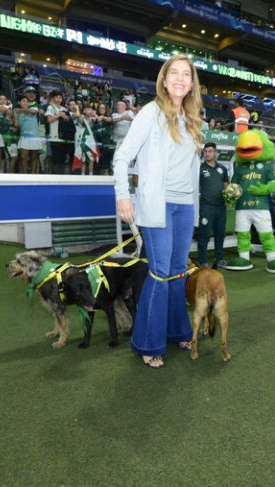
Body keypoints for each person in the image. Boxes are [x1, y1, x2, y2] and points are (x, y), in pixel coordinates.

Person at [113, 54, 203, 369]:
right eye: (173, 73)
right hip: (157, 206)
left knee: (179, 272)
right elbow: (122, 157)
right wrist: (124, 196)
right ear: (164, 80)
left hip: (184, 206)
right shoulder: (151, 113)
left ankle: (178, 330)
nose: (180, 78)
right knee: (159, 273)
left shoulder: (193, 119)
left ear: (192, 84)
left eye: (186, 74)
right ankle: (148, 343)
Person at [197, 142, 229, 268]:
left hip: (221, 207)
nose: (207, 154)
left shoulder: (222, 168)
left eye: (210, 151)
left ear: (215, 153)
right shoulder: (200, 168)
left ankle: (220, 258)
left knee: (220, 233)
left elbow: (226, 185)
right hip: (206, 207)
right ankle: (203, 260)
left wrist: (228, 199)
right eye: (205, 151)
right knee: (204, 234)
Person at [13, 95, 45, 174]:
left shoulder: (33, 109)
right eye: (23, 101)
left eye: (27, 101)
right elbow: (16, 125)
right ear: (19, 102)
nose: (26, 103)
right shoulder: (17, 112)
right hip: (24, 137)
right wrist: (14, 115)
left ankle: (33, 174)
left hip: (34, 137)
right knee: (23, 157)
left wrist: (21, 110)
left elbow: (33, 112)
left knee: (34, 157)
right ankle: (25, 174)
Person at [44, 90, 67, 174]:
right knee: (53, 156)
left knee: (61, 157)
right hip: (53, 135)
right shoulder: (50, 107)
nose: (58, 98)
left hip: (62, 136)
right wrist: (59, 115)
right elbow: (49, 119)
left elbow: (67, 120)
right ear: (53, 98)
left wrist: (65, 116)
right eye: (56, 97)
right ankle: (51, 174)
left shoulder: (64, 108)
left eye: (60, 97)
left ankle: (61, 175)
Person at [92, 102, 114, 175]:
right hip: (96, 146)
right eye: (100, 108)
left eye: (103, 108)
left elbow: (111, 120)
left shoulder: (108, 118)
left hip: (105, 145)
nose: (101, 109)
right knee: (96, 168)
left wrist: (102, 117)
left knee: (105, 168)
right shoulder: (94, 118)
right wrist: (95, 117)